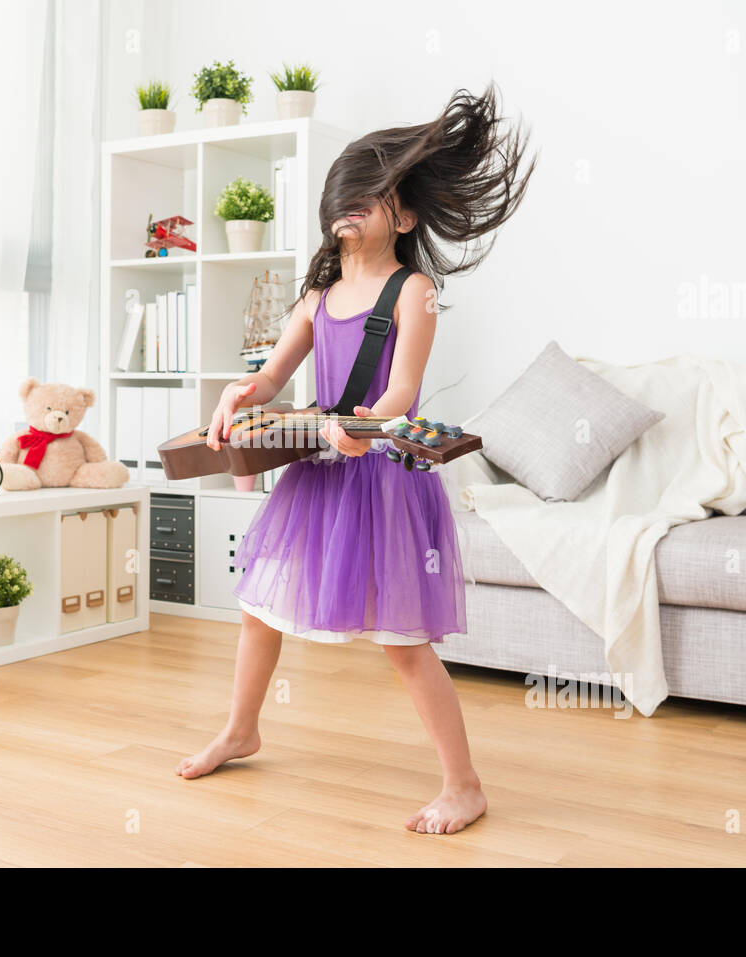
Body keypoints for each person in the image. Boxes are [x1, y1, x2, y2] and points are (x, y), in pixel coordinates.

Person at [176, 86, 534, 834]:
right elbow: (272, 377)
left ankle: (464, 784)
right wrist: (242, 394)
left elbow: (402, 390)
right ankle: (243, 729)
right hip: (319, 476)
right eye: (344, 195)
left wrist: (362, 425)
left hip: (380, 478)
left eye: (369, 198)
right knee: (258, 610)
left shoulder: (416, 291)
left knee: (403, 643)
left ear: (403, 216)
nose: (351, 207)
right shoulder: (316, 297)